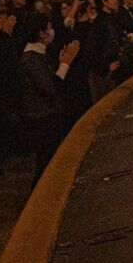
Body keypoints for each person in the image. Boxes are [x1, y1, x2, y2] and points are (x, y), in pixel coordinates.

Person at [17, 14, 80, 183]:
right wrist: (65, 64)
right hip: (41, 117)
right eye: (49, 28)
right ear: (42, 33)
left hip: (48, 114)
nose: (52, 32)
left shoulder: (41, 55)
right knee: (46, 163)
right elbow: (49, 87)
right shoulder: (30, 58)